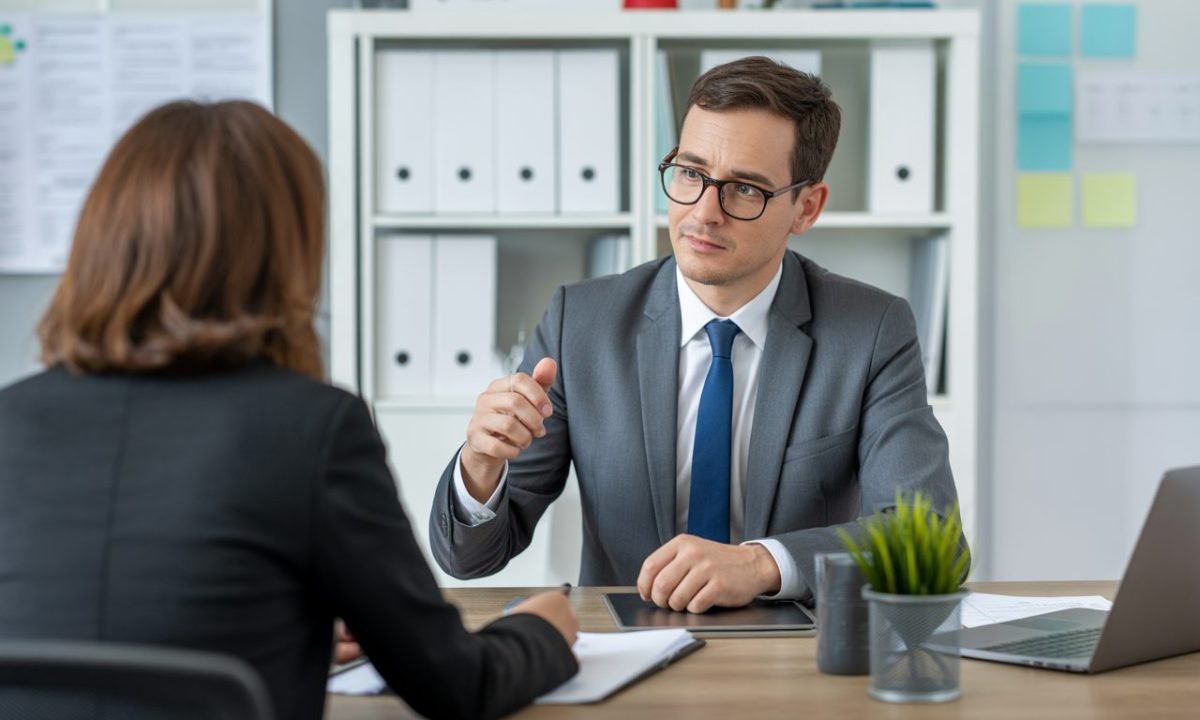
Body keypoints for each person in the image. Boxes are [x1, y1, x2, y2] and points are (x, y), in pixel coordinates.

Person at [0, 100, 578, 720]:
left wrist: (280, 626)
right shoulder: (313, 429)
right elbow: (458, 686)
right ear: (285, 254)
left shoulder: (11, 419)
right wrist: (544, 628)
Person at [429, 57, 966, 613]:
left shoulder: (871, 331)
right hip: (627, 653)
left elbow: (933, 540)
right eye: (690, 173)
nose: (704, 212)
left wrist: (762, 563)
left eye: (745, 188)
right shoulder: (580, 323)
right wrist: (479, 464)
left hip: (797, 658)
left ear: (806, 207)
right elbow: (469, 559)